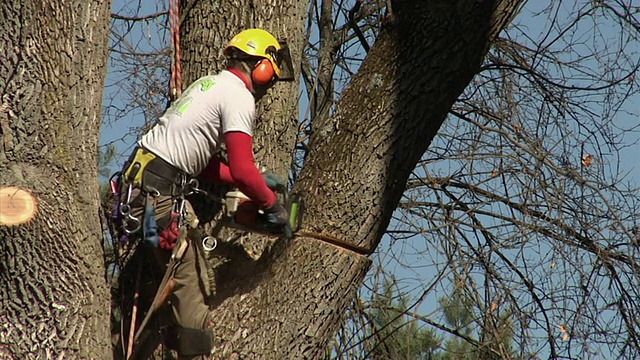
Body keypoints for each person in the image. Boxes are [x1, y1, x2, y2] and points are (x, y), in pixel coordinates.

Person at [115, 28, 293, 359]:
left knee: (165, 285)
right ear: (261, 66)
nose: (268, 86)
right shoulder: (239, 95)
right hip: (158, 196)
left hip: (140, 188)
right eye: (270, 75)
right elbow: (241, 169)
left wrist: (254, 180)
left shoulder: (207, 84)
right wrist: (271, 205)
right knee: (193, 286)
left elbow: (204, 165)